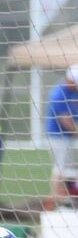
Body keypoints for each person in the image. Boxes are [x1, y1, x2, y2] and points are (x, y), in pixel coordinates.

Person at [45, 65, 78, 209]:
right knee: (60, 168)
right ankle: (57, 200)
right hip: (58, 137)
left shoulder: (73, 92)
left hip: (68, 137)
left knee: (68, 168)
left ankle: (66, 199)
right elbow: (66, 120)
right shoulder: (58, 94)